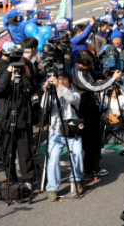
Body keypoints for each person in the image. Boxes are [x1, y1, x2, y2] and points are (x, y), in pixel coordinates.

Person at [0, 42, 36, 188]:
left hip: (22, 111)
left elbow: (30, 89)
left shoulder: (22, 67)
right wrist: (9, 71)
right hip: (7, 112)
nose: (15, 58)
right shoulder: (0, 65)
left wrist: (28, 75)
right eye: (12, 56)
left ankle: (28, 179)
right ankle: (11, 179)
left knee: (25, 150)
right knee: (7, 150)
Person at [72, 50, 121, 177]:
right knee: (90, 140)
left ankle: (93, 165)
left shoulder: (85, 69)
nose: (91, 66)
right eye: (89, 64)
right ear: (82, 64)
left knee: (95, 138)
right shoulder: (79, 73)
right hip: (85, 110)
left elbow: (93, 75)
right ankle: (91, 168)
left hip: (92, 107)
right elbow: (93, 86)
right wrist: (112, 79)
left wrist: (102, 74)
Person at [41, 71, 85, 201]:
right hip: (55, 133)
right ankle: (52, 188)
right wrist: (46, 92)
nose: (59, 81)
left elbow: (71, 98)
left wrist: (59, 86)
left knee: (77, 152)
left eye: (63, 79)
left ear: (70, 82)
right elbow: (43, 107)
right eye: (58, 79)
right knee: (53, 157)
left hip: (72, 133)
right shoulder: (52, 94)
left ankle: (76, 179)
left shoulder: (75, 94)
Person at [99, 29, 124, 94]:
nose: (117, 41)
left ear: (121, 39)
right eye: (114, 40)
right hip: (113, 75)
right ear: (112, 40)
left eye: (118, 39)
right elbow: (102, 60)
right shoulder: (108, 48)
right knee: (114, 94)